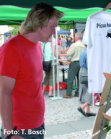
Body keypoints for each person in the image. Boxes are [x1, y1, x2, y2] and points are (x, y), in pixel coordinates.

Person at [0, 3, 63, 139]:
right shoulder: (11, 48)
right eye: (52, 27)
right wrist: (9, 132)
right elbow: (4, 93)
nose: (54, 31)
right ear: (39, 24)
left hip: (37, 123)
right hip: (19, 128)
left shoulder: (37, 46)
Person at [63, 32, 86, 98]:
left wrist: (67, 51)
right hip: (81, 63)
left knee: (70, 78)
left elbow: (69, 54)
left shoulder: (74, 45)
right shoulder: (83, 45)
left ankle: (68, 93)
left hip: (74, 62)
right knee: (79, 79)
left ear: (76, 38)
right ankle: (78, 92)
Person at [77, 48, 96, 117]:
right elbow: (90, 65)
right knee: (92, 90)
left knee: (87, 90)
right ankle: (82, 107)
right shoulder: (89, 52)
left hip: (82, 72)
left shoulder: (83, 52)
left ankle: (88, 111)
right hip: (87, 73)